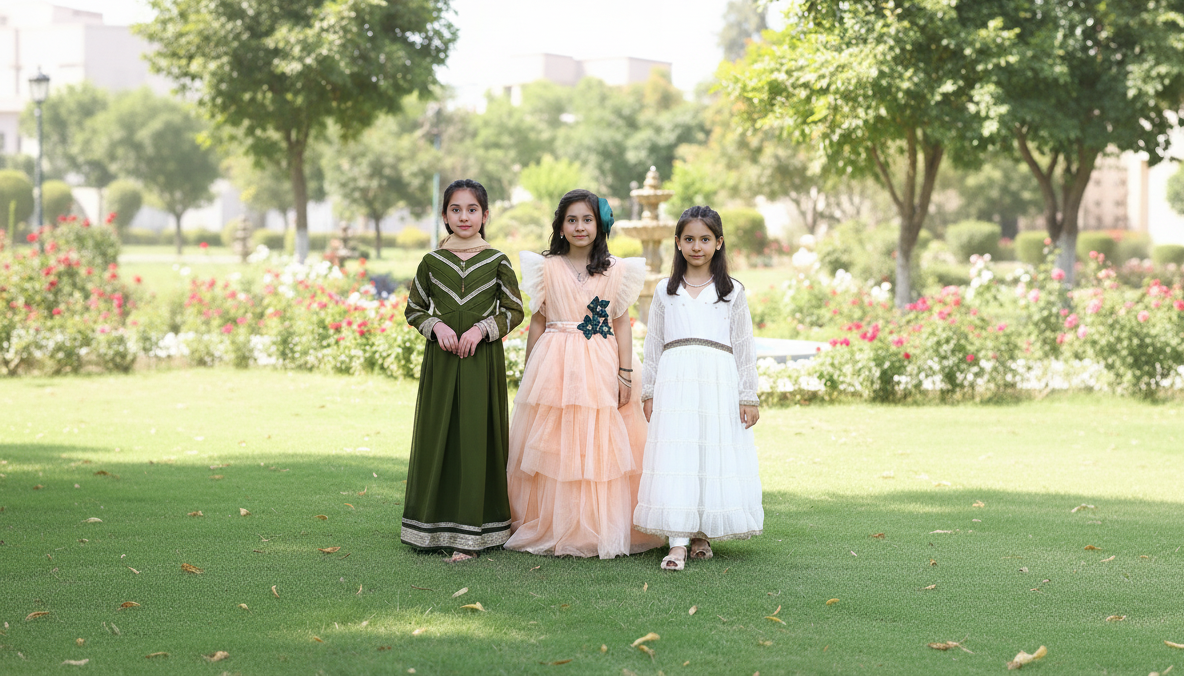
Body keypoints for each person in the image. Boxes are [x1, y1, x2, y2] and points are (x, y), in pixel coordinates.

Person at [504, 189, 664, 559]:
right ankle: (554, 523)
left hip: (601, 359)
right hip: (554, 361)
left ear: (599, 225)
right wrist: (531, 372)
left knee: (600, 443)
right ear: (560, 226)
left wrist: (625, 372)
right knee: (556, 443)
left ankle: (598, 524)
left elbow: (621, 323)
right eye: (572, 219)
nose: (579, 227)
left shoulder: (616, 270)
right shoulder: (546, 268)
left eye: (587, 219)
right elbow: (538, 321)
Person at [634, 205, 763, 571]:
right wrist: (649, 390)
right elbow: (654, 343)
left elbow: (744, 345)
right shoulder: (665, 290)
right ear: (677, 243)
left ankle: (703, 533)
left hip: (718, 381)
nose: (696, 246)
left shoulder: (732, 292)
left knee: (710, 450)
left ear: (718, 243)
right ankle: (677, 542)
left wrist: (748, 395)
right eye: (689, 239)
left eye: (705, 239)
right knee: (679, 454)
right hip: (676, 382)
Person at [401, 179, 524, 562]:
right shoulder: (432, 262)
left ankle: (473, 534)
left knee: (475, 437)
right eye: (456, 209)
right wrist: (435, 326)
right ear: (444, 216)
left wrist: (481, 329)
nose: (464, 216)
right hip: (441, 361)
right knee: (438, 435)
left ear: (485, 215)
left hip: (479, 364)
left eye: (472, 210)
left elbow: (515, 310)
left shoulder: (497, 260)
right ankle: (429, 528)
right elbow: (414, 309)